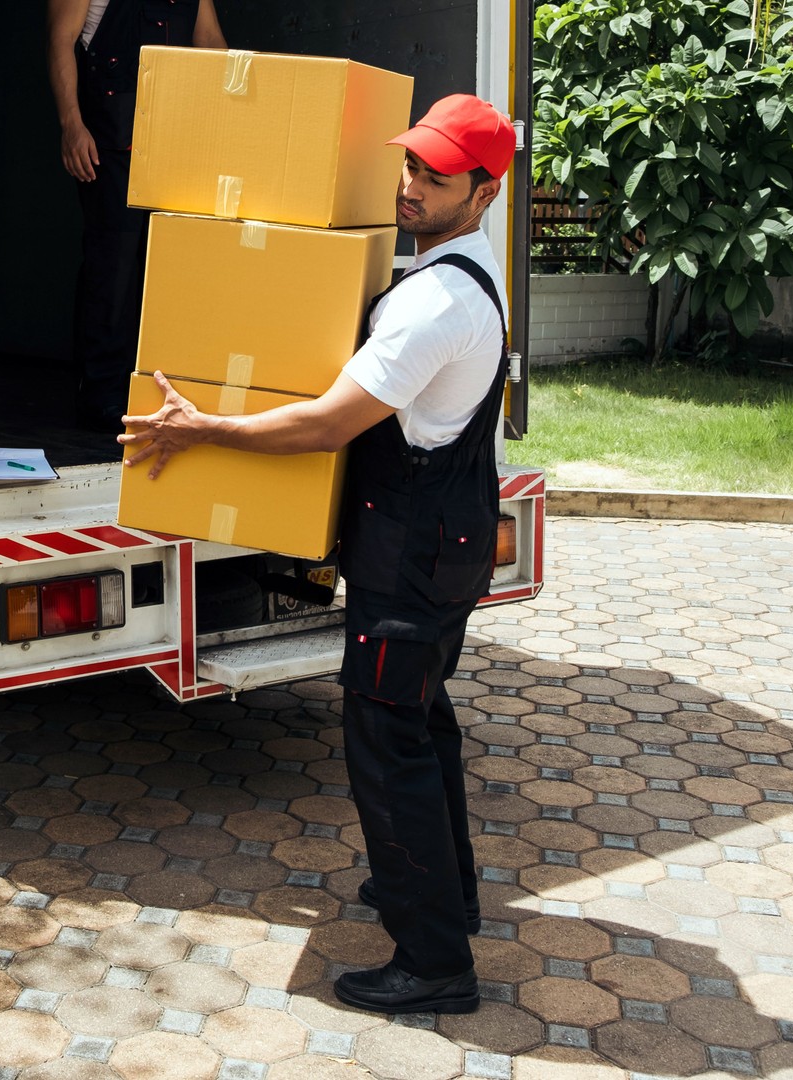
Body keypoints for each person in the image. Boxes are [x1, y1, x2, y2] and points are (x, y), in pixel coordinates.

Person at [117, 94, 518, 1016]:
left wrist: (204, 428)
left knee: (387, 746)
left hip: (410, 558)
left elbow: (329, 424)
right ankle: (445, 893)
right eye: (409, 164)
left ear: (485, 192)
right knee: (424, 723)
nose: (411, 186)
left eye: (435, 177)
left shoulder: (434, 303)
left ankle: (434, 962)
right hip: (444, 543)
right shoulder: (469, 272)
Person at [47, 0, 226, 432]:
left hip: (176, 140)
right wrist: (72, 126)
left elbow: (211, 44)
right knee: (114, 267)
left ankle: (161, 389)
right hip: (110, 142)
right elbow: (59, 42)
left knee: (172, 268)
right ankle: (102, 394)